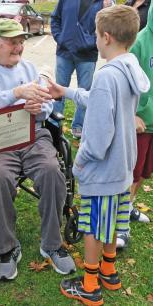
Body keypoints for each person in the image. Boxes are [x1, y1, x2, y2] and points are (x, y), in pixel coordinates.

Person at [48, 5, 150, 305]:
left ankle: (90, 285)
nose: (94, 39)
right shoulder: (130, 67)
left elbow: (99, 136)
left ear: (105, 37)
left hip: (103, 168)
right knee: (111, 220)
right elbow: (99, 100)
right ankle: (109, 271)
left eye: (95, 34)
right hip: (122, 165)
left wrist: (80, 162)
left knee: (93, 225)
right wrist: (65, 92)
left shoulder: (106, 76)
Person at [0, 18, 76, 280]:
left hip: (33, 134)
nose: (18, 47)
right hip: (1, 139)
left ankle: (52, 244)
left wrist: (38, 108)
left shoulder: (31, 68)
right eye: (12, 41)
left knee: (52, 170)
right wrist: (17, 93)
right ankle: (6, 247)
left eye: (21, 41)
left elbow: (47, 108)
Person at [116, 0, 153, 249]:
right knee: (130, 171)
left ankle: (128, 207)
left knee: (143, 173)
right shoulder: (141, 41)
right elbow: (129, 82)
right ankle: (120, 223)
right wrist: (133, 113)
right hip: (141, 122)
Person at [50, 0, 112, 139]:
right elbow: (55, 18)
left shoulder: (104, 2)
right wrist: (61, 38)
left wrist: (90, 43)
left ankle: (78, 126)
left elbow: (107, 27)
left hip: (87, 56)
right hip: (64, 53)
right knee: (58, 90)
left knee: (84, 92)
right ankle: (54, 123)